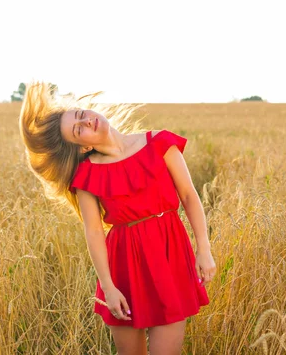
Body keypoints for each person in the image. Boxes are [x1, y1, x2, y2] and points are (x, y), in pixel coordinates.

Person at [19, 81, 216, 354]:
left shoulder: (159, 143)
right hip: (124, 269)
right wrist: (109, 287)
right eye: (79, 130)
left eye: (80, 115)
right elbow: (94, 232)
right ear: (82, 148)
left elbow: (189, 196)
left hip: (170, 256)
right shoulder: (86, 175)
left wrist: (203, 249)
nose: (87, 121)